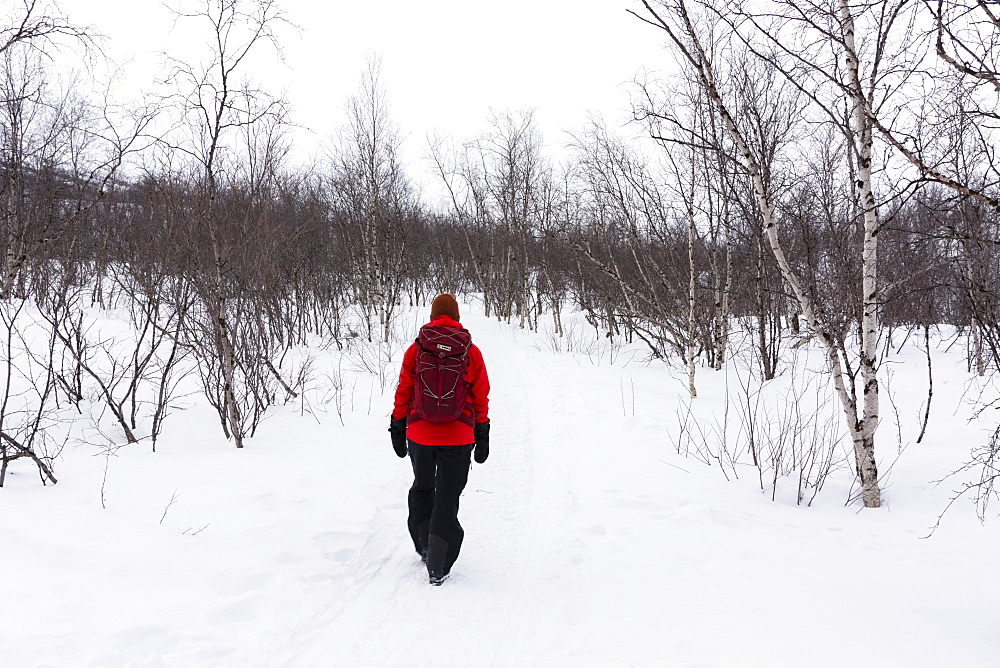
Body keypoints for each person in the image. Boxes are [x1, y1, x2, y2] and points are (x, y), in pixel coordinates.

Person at [389, 294, 490, 586]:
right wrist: (482, 432)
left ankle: (424, 546)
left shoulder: (417, 349)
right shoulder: (470, 351)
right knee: (448, 496)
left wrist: (397, 424)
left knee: (422, 487)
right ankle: (439, 565)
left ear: (433, 315)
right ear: (457, 316)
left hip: (419, 433)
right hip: (458, 435)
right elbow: (480, 395)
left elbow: (404, 388)